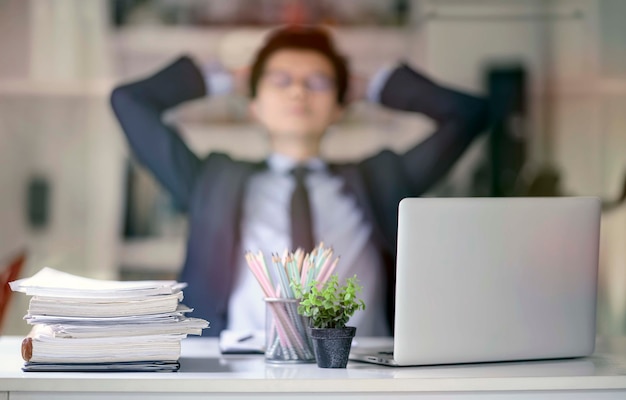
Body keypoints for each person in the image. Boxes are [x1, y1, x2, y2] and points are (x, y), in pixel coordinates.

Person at [110, 25, 488, 337]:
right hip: (238, 375)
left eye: (318, 82)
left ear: (342, 105)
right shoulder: (211, 182)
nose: (298, 91)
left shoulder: (382, 180)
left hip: (360, 374)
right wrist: (223, 79)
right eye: (280, 80)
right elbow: (128, 101)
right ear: (253, 105)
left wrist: (375, 87)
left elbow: (469, 115)